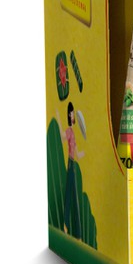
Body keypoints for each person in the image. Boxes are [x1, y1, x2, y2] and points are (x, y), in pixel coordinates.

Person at [60, 102, 84, 237]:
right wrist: (58, 119)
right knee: (69, 194)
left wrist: (85, 153)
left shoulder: (73, 132)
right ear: (69, 115)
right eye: (71, 113)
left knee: (74, 196)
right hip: (70, 164)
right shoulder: (69, 131)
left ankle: (77, 232)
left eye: (73, 113)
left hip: (73, 164)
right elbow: (62, 137)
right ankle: (65, 225)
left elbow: (77, 153)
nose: (73, 115)